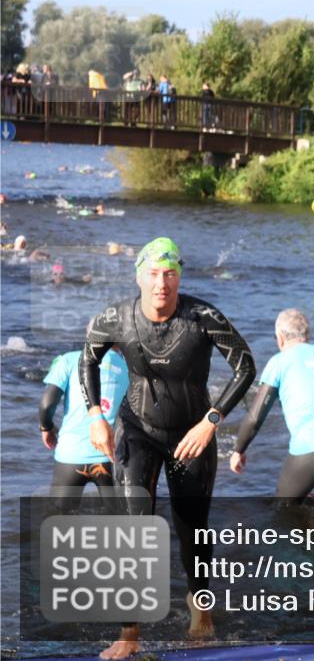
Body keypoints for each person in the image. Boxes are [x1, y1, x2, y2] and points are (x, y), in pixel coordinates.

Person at [82, 237, 255, 659]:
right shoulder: (114, 317)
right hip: (137, 430)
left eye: (171, 274)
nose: (163, 283)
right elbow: (88, 357)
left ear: (179, 276)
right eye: (154, 274)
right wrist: (94, 415)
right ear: (139, 276)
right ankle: (130, 631)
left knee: (191, 528)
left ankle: (200, 609)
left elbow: (245, 365)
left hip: (191, 434)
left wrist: (211, 422)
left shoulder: (202, 316)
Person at [231, 309, 314, 502]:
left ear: (280, 339)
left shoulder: (279, 362)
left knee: (282, 510)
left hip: (311, 449)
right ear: (307, 336)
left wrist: (238, 450)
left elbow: (256, 416)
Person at [40, 331, 128, 510]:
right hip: (111, 456)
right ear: (118, 343)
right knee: (118, 526)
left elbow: (46, 404)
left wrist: (46, 427)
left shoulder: (69, 360)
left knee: (57, 524)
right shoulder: (129, 368)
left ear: (89, 336)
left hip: (71, 455)